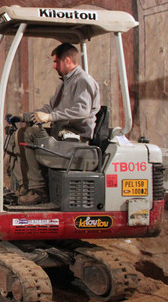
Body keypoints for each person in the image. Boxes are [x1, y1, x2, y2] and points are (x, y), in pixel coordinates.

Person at [8, 43, 100, 205]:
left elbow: (82, 111)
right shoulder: (64, 84)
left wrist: (51, 117)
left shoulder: (82, 81)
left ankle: (38, 190)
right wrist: (24, 116)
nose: (53, 66)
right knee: (21, 132)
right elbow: (48, 109)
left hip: (77, 140)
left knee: (30, 134)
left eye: (56, 62)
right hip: (62, 135)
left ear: (68, 60)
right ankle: (26, 185)